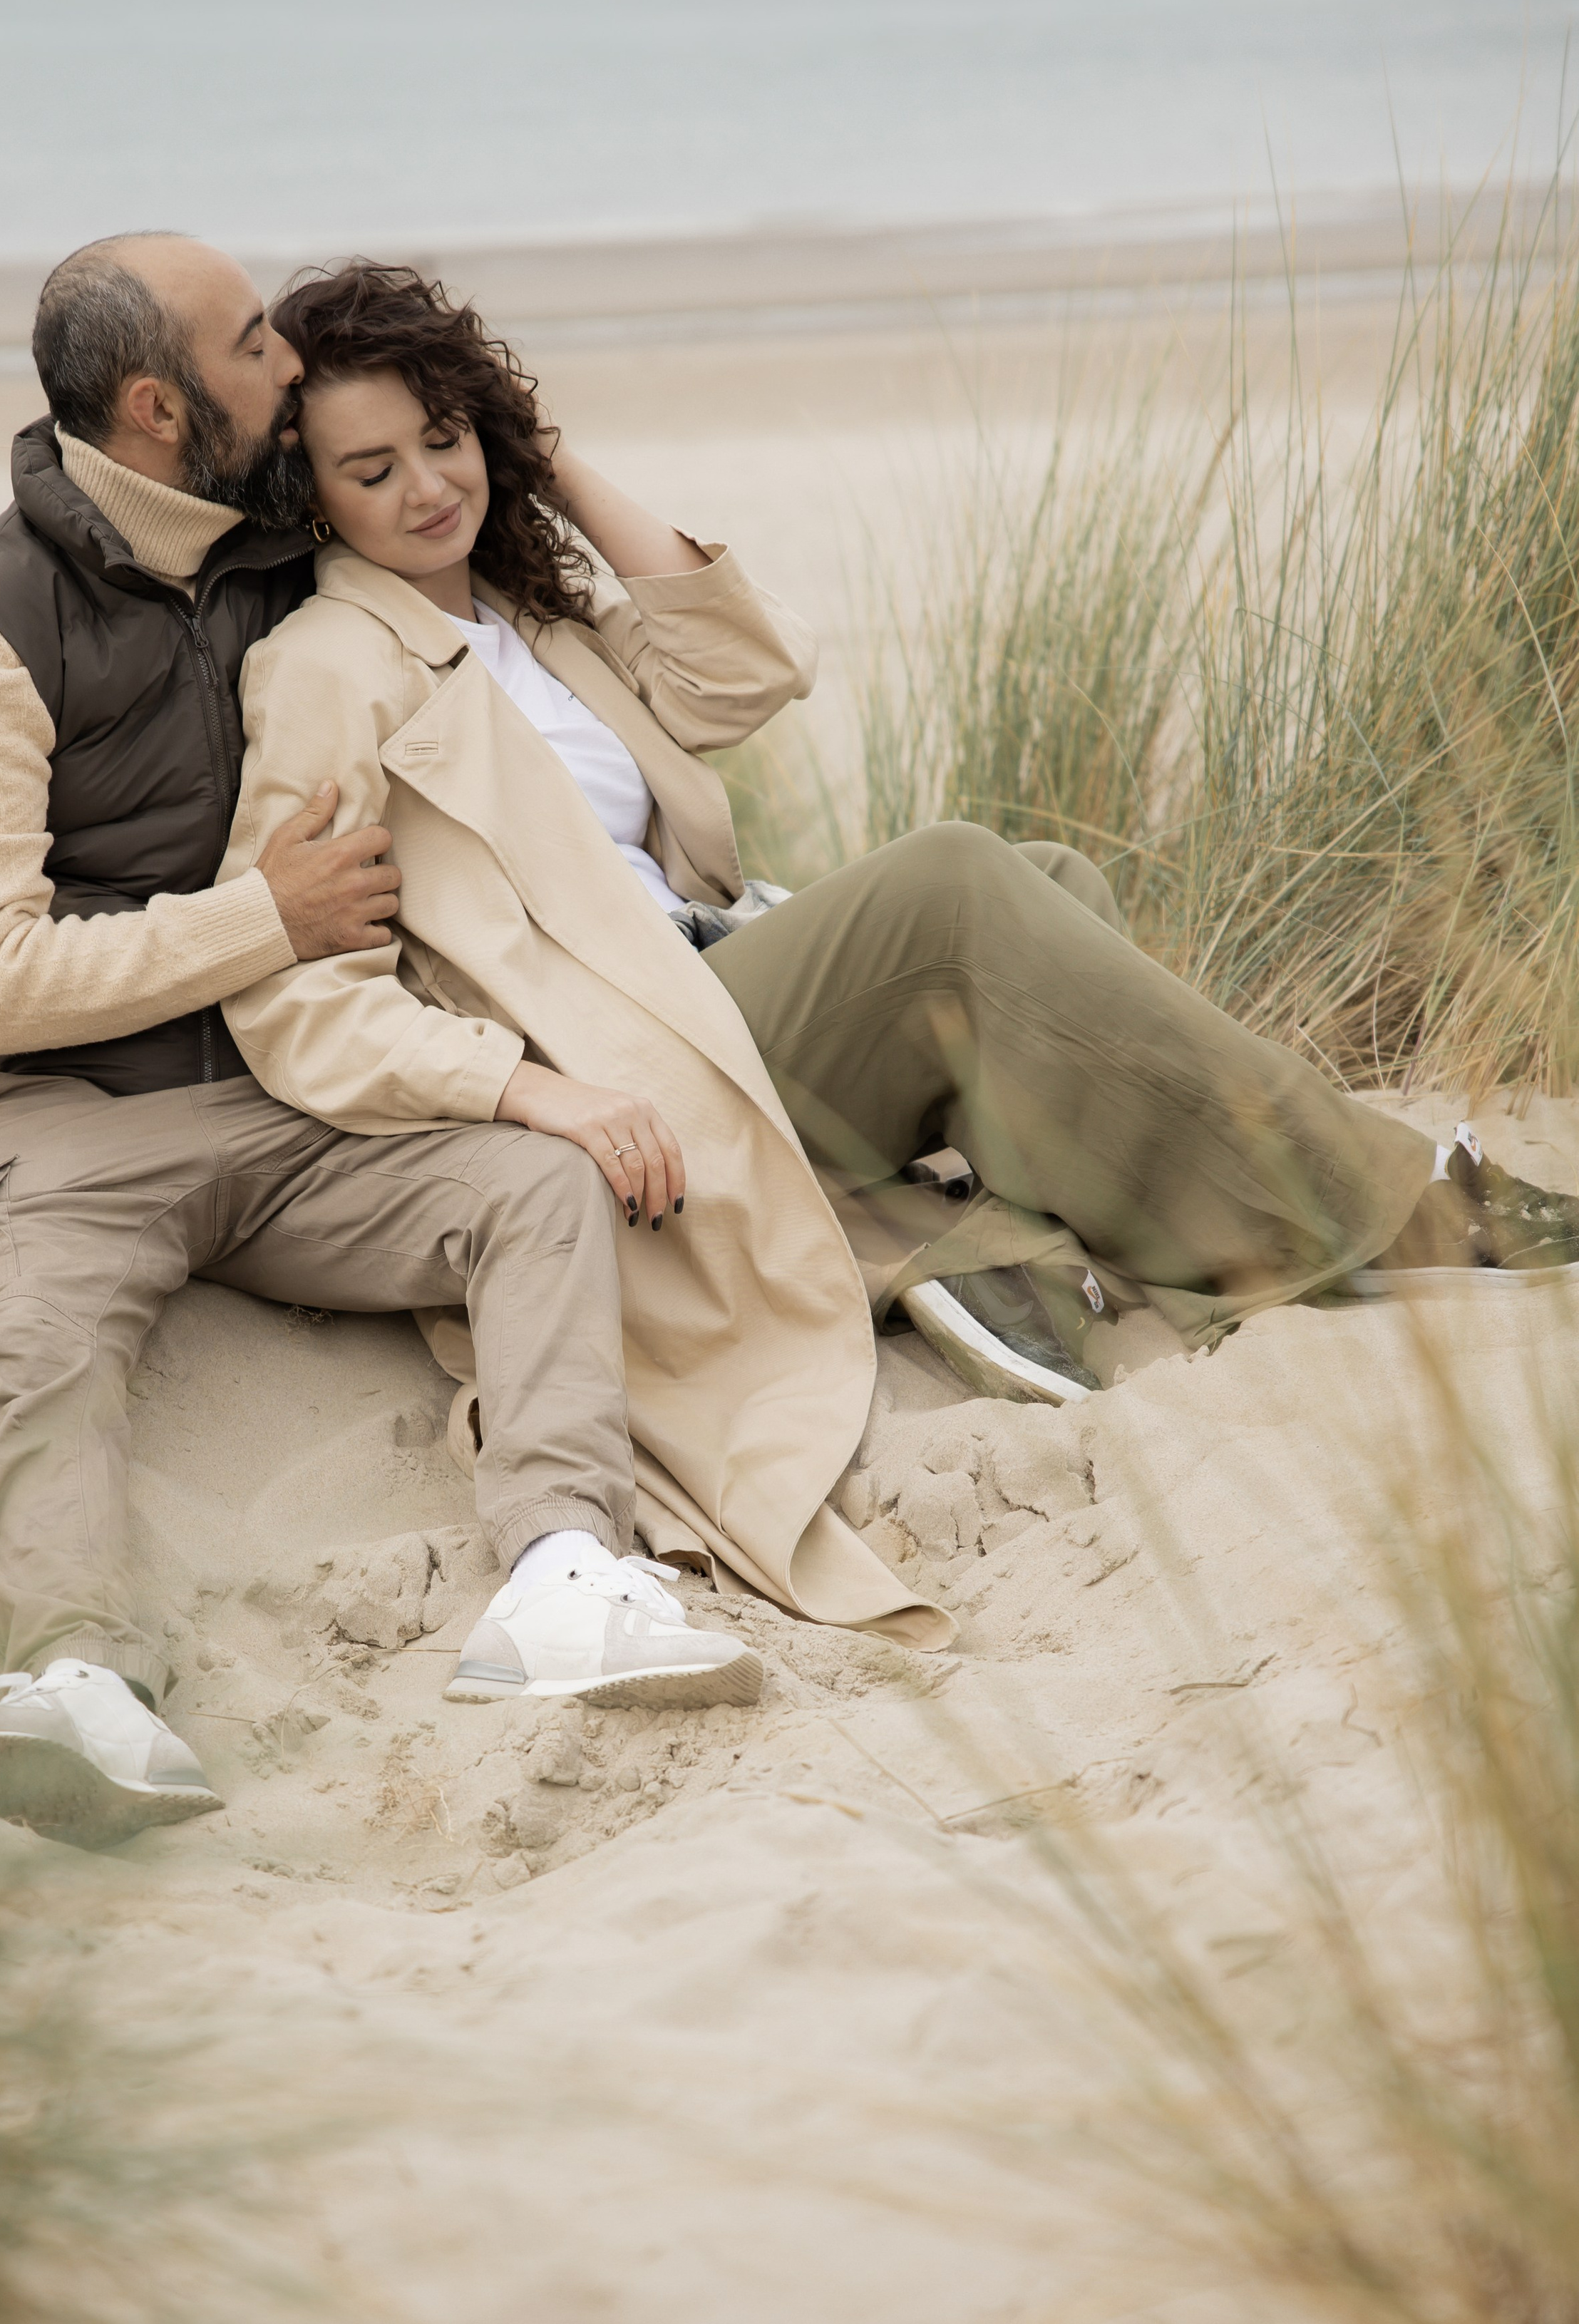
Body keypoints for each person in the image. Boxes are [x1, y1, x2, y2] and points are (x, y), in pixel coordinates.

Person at [218, 259, 1579, 1683]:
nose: (429, 487)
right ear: (313, 497)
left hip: (705, 982)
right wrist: (516, 1093)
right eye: (373, 470)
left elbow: (746, 674)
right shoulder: (327, 664)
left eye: (446, 438)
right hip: (627, 1064)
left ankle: (1015, 1250)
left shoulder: (522, 610)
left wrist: (540, 458)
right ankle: (1391, 1207)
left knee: (1052, 891)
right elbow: (294, 998)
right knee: (950, 890)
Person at [0, 232, 763, 1858]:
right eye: (253, 342)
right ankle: (74, 1678)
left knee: (530, 1183)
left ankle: (562, 1572)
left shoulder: (287, 546)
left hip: (300, 1103)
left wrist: (504, 427)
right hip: (71, 1119)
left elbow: (601, 627)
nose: (285, 362)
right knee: (39, 1325)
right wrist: (262, 923)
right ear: (158, 406)